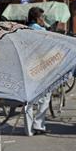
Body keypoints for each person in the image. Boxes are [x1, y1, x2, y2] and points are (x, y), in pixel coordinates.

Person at [24, 7, 52, 136]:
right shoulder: (41, 31)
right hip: (40, 67)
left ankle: (29, 129)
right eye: (42, 18)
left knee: (28, 99)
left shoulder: (23, 30)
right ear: (37, 18)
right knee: (45, 96)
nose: (43, 20)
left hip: (26, 67)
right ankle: (39, 124)